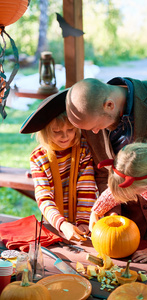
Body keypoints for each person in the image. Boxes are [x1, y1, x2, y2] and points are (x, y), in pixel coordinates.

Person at [66, 77, 147, 238]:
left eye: (95, 127)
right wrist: (111, 213)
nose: (95, 132)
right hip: (127, 229)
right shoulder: (91, 117)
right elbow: (103, 174)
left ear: (109, 105)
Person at [20, 90, 98, 241]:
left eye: (70, 130)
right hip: (55, 222)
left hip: (83, 217)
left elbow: (86, 187)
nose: (65, 136)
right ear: (45, 131)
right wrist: (62, 224)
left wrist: (83, 222)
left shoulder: (82, 149)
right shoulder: (38, 158)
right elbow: (44, 198)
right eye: (57, 131)